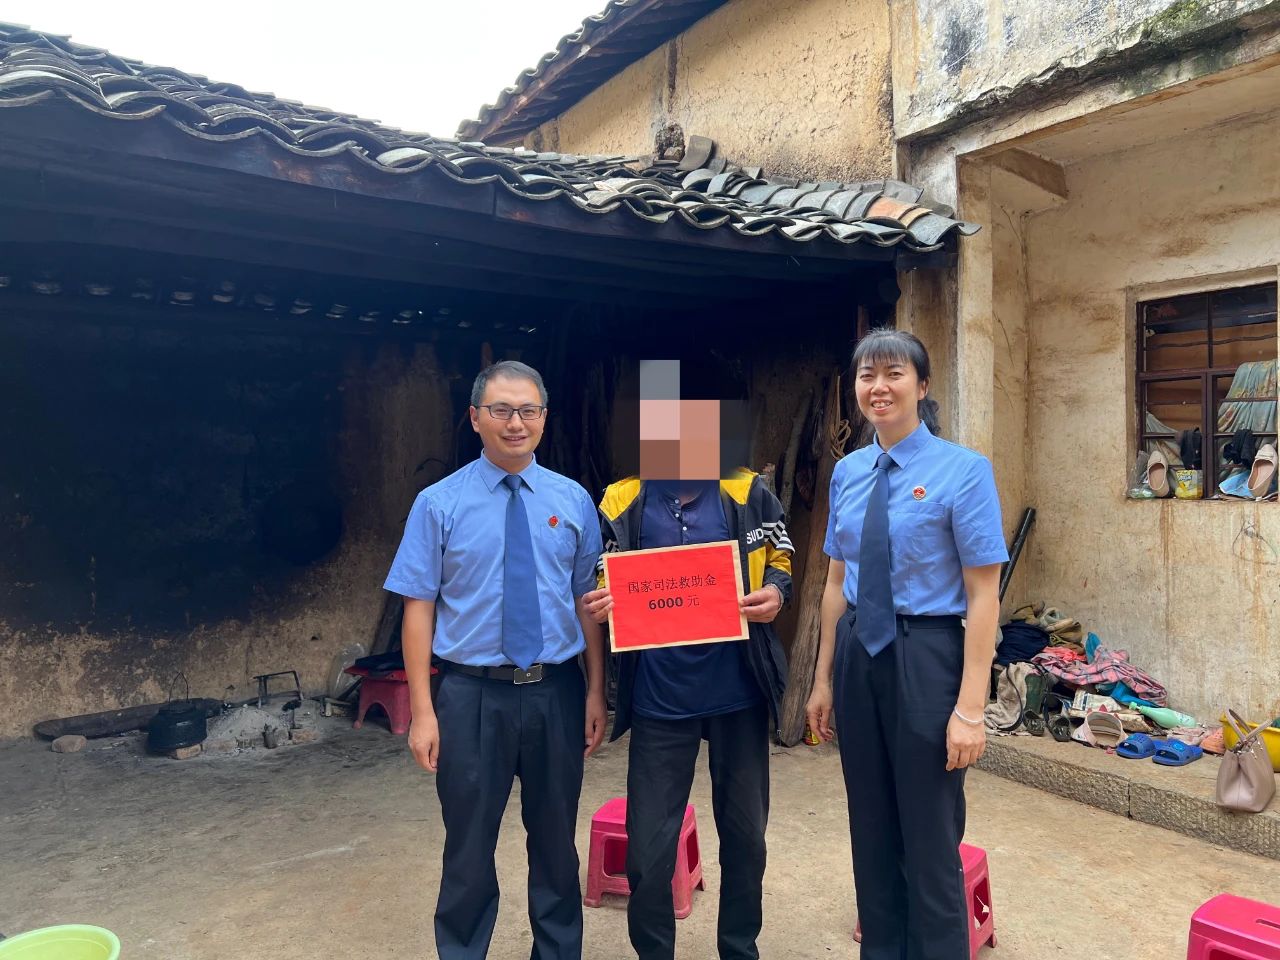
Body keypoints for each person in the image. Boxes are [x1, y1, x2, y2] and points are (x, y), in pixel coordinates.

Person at [384, 360, 607, 960]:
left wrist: (595, 691)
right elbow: (417, 610)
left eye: (528, 410)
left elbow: (587, 602)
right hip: (470, 696)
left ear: (544, 419)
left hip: (556, 692)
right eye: (502, 410)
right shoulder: (438, 503)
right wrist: (424, 713)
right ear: (475, 418)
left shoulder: (573, 500)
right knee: (468, 848)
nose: (516, 423)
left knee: (556, 844)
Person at [805, 329, 1006, 960]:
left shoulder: (963, 471)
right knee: (869, 825)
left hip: (927, 654)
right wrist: (823, 679)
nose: (879, 387)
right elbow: (835, 582)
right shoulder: (848, 472)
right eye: (867, 375)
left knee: (928, 832)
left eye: (894, 374)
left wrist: (970, 708)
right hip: (859, 652)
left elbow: (984, 595)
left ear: (922, 386)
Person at [583, 359, 792, 960]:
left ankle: (739, 948)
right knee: (649, 850)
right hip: (660, 697)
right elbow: (601, 573)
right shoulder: (621, 501)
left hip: (738, 693)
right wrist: (602, 599)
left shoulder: (748, 491)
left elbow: (782, 555)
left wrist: (776, 593)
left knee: (746, 839)